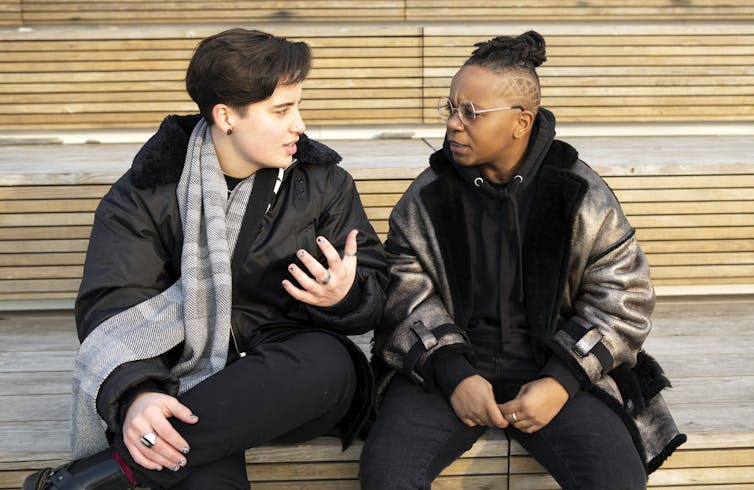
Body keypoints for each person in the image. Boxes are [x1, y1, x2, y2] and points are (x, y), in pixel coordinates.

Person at [24, 28, 388, 490]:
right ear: (226, 116)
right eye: (282, 110)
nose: (300, 124)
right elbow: (112, 307)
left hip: (292, 382)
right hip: (183, 379)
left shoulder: (322, 183)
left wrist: (343, 295)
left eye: (298, 105)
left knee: (327, 363)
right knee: (199, 462)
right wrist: (136, 394)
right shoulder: (147, 192)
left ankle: (93, 479)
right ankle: (116, 468)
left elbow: (373, 283)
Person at [359, 31, 685, 489]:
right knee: (387, 477)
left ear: (521, 122)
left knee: (617, 480)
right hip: (446, 370)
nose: (454, 123)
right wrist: (455, 376)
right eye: (451, 107)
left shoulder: (578, 194)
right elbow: (403, 294)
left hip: (554, 368)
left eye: (471, 112)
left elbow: (624, 296)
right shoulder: (427, 198)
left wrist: (560, 381)